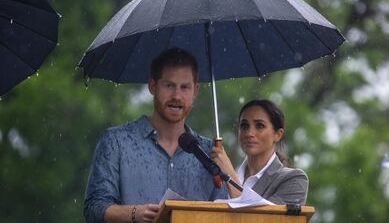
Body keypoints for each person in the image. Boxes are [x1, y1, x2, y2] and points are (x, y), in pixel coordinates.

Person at [84, 47, 227, 223]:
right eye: (169, 85)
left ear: (195, 91)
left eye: (185, 87)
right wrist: (134, 214)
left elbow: (225, 215)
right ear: (152, 86)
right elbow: (93, 209)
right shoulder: (116, 141)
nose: (177, 95)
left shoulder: (209, 153)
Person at [211, 99, 308, 205]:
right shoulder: (219, 176)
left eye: (259, 126)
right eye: (244, 125)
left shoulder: (293, 180)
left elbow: (260, 218)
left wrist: (230, 176)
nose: (249, 133)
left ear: (278, 135)